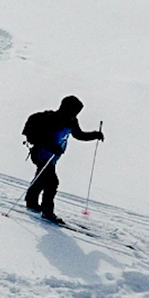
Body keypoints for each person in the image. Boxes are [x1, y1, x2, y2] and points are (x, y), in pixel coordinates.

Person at [21, 95, 103, 223]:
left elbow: (78, 135)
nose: (75, 115)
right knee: (52, 182)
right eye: (73, 112)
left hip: (52, 157)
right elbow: (38, 139)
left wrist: (95, 135)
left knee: (42, 178)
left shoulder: (72, 121)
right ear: (66, 109)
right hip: (40, 154)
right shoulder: (50, 119)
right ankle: (47, 212)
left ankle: (31, 201)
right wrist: (52, 148)